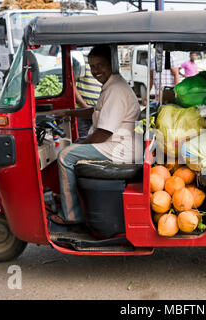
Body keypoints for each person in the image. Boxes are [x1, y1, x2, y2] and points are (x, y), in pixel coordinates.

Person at [50, 45, 140, 224]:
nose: (95, 71)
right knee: (76, 146)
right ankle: (73, 199)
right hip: (117, 144)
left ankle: (71, 215)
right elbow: (96, 111)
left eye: (101, 65)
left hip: (118, 148)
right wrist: (69, 112)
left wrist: (80, 146)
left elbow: (104, 132)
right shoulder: (112, 85)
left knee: (65, 155)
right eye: (92, 66)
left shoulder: (115, 90)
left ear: (112, 64)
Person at [72, 52, 102, 139]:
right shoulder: (83, 60)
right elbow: (72, 85)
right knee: (83, 140)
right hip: (82, 110)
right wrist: (84, 105)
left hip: (100, 111)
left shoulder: (110, 62)